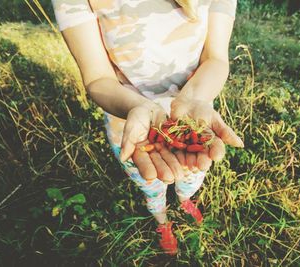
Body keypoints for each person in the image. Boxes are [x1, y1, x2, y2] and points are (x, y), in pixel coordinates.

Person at [51, 0, 243, 255]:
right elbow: (98, 77)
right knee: (151, 184)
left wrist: (194, 98)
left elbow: (216, 58)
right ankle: (162, 220)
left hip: (196, 117)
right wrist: (137, 107)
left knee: (192, 174)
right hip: (132, 130)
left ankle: (185, 199)